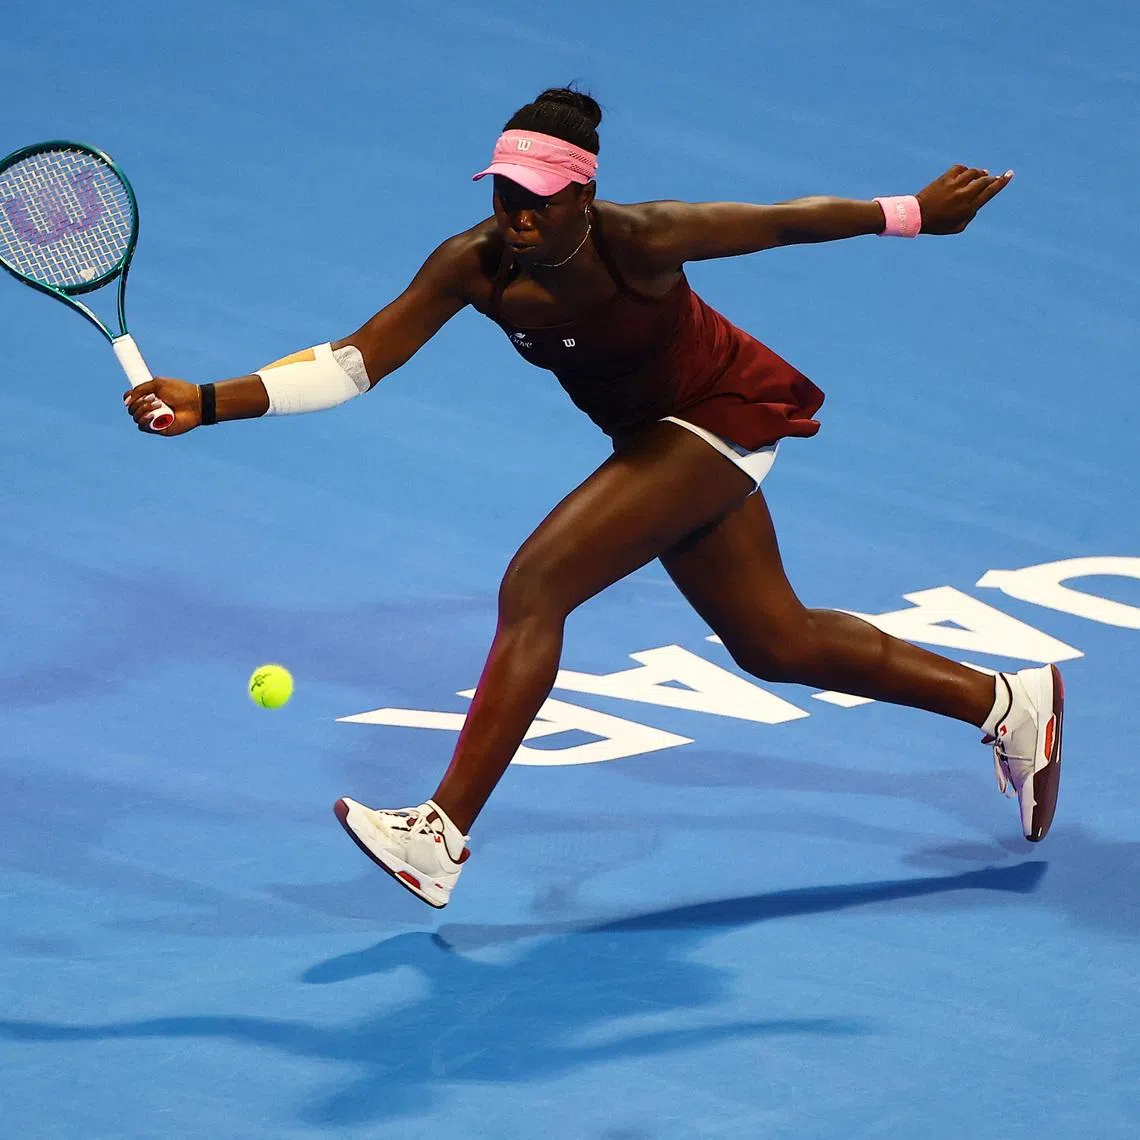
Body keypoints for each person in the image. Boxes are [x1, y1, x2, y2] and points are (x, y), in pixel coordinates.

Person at [125, 87, 1064, 909]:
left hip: (717, 413)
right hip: (656, 442)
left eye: (537, 200)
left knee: (537, 585)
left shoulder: (643, 238)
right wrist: (209, 400)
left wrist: (912, 213)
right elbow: (356, 360)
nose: (516, 217)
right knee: (775, 643)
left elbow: (780, 222)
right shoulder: (473, 264)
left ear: (582, 195)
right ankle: (1005, 702)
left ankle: (439, 834)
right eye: (504, 195)